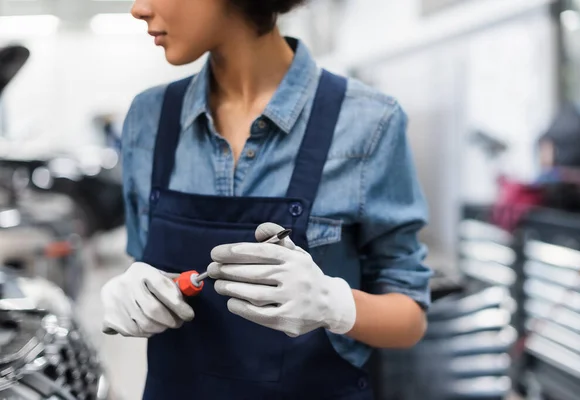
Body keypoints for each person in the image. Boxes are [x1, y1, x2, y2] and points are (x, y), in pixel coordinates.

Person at [100, 0, 432, 398]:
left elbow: (409, 318)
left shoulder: (367, 122)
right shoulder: (148, 116)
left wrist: (334, 304)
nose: (138, 8)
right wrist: (133, 292)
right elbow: (146, 261)